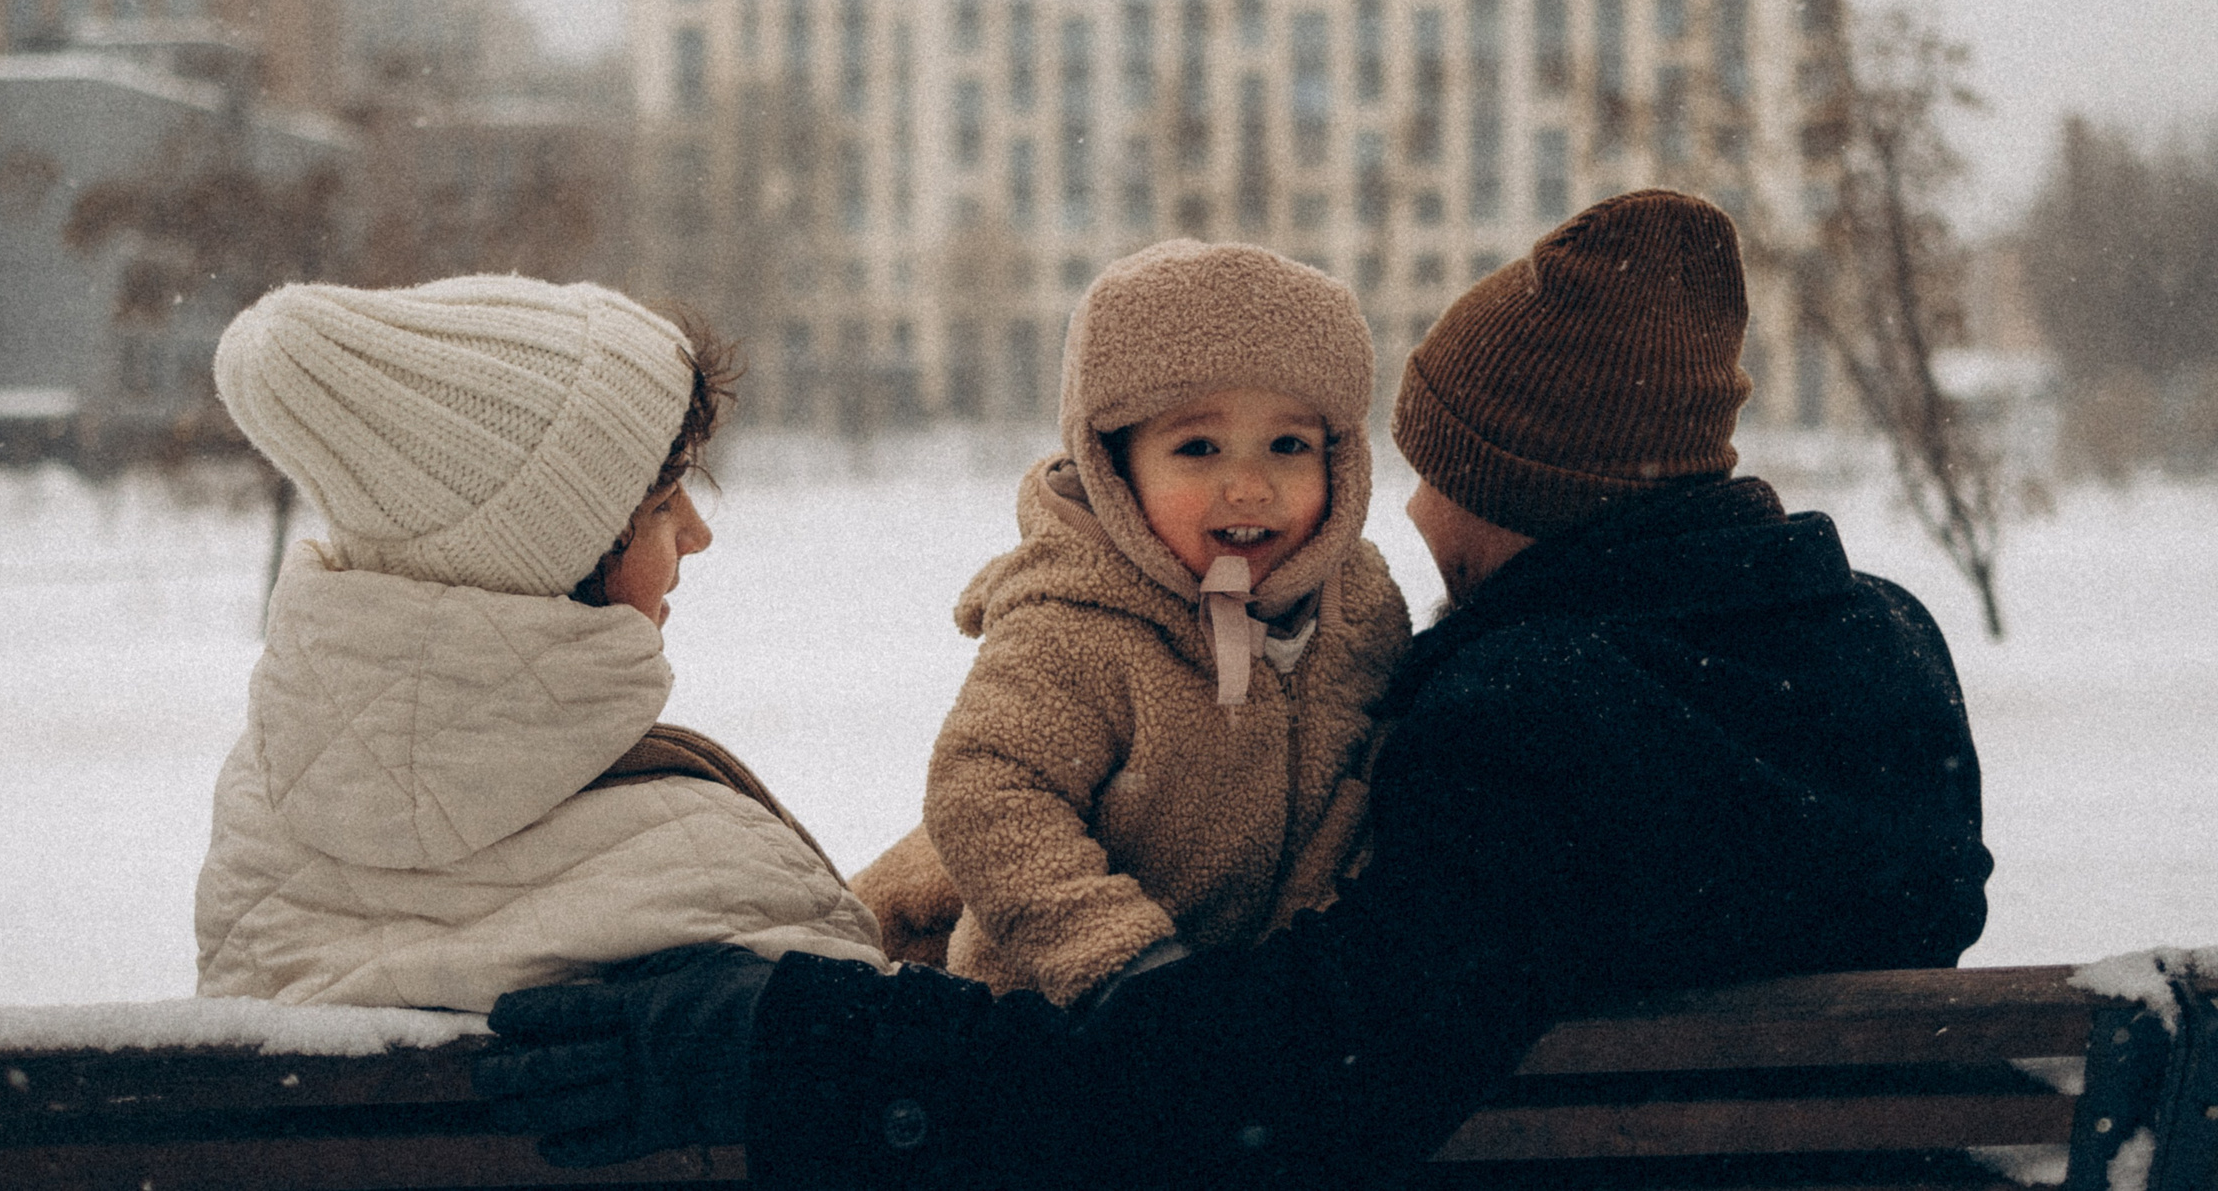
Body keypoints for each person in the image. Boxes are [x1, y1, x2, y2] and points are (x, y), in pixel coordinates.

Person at [477, 190, 1993, 1188]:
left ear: (1519, 487)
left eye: (1434, 471)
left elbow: (1263, 1084)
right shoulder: (1873, 659)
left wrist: (788, 1044)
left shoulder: (1539, 724)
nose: (1407, 515)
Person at [192, 274, 884, 1014]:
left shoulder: (261, 822)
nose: (697, 531)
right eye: (660, 503)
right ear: (550, 562)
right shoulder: (711, 861)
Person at [854, 241, 1411, 1003]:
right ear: (1113, 466)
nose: (1249, 486)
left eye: (1289, 444)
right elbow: (989, 793)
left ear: (1341, 459)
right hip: (1067, 1026)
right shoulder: (1075, 622)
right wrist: (1125, 964)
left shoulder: (1361, 609)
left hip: (1276, 1030)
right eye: (1198, 447)